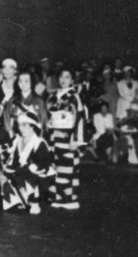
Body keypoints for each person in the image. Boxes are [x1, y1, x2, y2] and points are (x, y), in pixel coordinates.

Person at [46, 68, 85, 210]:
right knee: (55, 166)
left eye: (67, 77)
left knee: (67, 167)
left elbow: (80, 119)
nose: (63, 80)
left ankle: (68, 200)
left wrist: (76, 139)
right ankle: (56, 197)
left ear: (72, 80)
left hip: (68, 137)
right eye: (61, 77)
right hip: (53, 137)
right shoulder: (52, 96)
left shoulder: (75, 96)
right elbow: (48, 117)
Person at [2, 111, 54, 215]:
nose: (21, 128)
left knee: (31, 171)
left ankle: (34, 203)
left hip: (39, 175)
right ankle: (22, 201)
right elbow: (15, 161)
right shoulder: (18, 140)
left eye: (24, 125)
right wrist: (7, 170)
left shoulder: (39, 142)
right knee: (6, 179)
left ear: (32, 126)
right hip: (23, 172)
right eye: (19, 125)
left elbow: (44, 163)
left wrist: (32, 167)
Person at [3, 70, 48, 138]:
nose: (23, 84)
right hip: (16, 137)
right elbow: (7, 120)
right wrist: (10, 134)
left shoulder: (39, 101)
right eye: (20, 81)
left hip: (34, 138)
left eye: (26, 81)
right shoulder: (12, 100)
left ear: (31, 82)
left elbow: (43, 122)